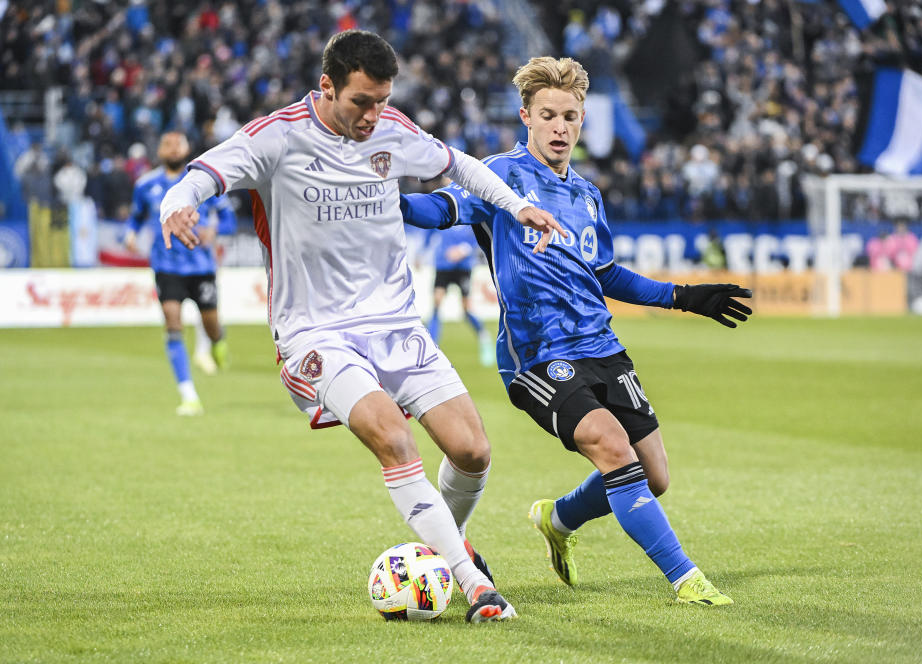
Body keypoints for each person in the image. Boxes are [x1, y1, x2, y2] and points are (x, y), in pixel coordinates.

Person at [159, 30, 564, 622]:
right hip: (316, 333)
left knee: (473, 451)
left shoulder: (393, 129)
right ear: (327, 87)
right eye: (361, 102)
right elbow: (205, 171)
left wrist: (514, 204)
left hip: (398, 325)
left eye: (382, 100)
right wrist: (179, 201)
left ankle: (444, 547)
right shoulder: (280, 136)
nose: (375, 115)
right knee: (394, 440)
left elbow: (461, 166)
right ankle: (473, 582)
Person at [400, 56, 753, 606]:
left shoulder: (587, 195)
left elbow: (606, 273)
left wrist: (686, 297)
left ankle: (558, 518)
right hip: (537, 357)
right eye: (549, 115)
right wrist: (386, 200)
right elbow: (438, 208)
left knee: (653, 475)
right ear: (526, 117)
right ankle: (686, 578)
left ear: (582, 121)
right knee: (614, 450)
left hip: (603, 348)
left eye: (571, 116)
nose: (561, 126)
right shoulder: (501, 178)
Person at [124, 131, 235, 416]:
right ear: (159, 150)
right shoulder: (146, 184)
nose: (173, 148)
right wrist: (130, 234)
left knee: (211, 326)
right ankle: (188, 395)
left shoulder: (202, 183)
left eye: (178, 143)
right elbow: (135, 216)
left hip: (201, 267)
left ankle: (218, 344)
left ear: (187, 148)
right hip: (166, 267)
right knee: (173, 324)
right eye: (167, 143)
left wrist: (215, 230)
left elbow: (229, 217)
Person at [426, 223, 496, 366]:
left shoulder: (466, 217)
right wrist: (422, 253)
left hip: (463, 267)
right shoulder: (440, 217)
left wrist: (463, 250)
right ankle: (432, 348)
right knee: (437, 304)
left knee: (465, 309)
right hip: (443, 265)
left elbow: (478, 238)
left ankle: (484, 336)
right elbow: (429, 234)